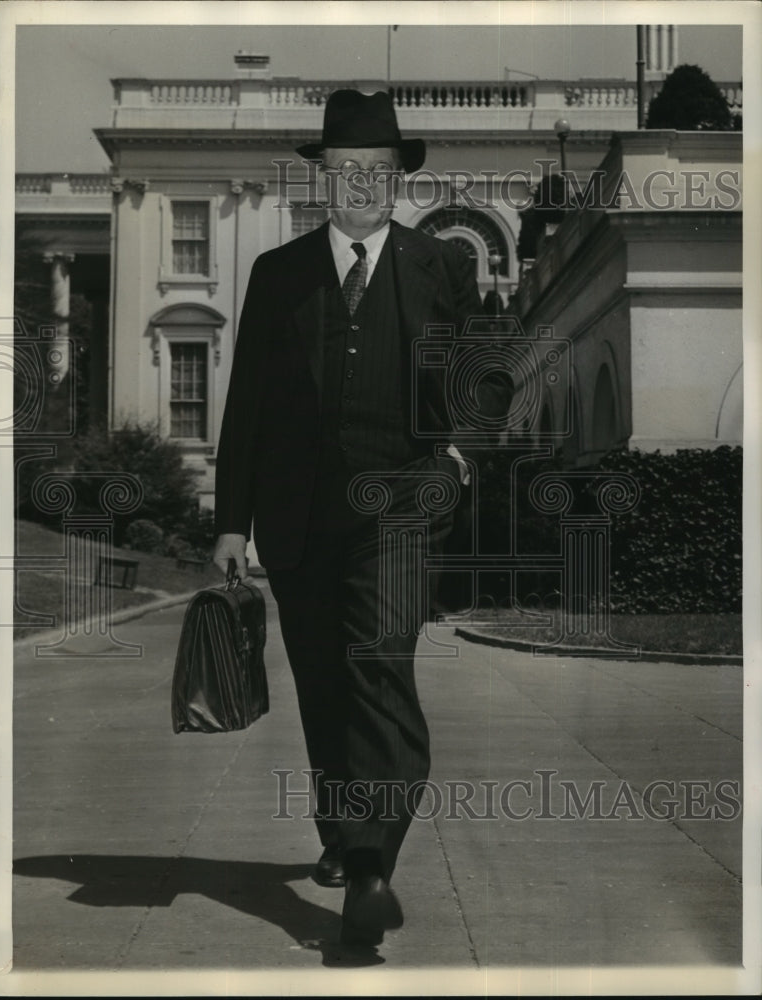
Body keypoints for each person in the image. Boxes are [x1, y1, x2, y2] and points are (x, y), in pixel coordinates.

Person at [213, 89, 510, 947]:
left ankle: (373, 864)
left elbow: (486, 377)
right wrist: (232, 523)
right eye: (346, 172)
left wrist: (456, 457)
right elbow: (248, 411)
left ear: (398, 181)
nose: (362, 187)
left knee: (380, 670)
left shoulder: (440, 267)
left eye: (378, 173)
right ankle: (343, 834)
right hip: (299, 516)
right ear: (323, 181)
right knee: (324, 683)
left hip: (402, 508)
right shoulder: (279, 276)